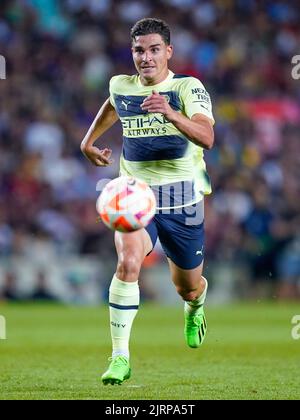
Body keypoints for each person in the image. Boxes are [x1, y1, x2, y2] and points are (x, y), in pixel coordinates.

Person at [81, 18, 214, 385]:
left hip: (183, 203)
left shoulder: (187, 87)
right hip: (136, 195)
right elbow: (114, 104)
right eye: (140, 50)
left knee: (187, 286)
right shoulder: (121, 84)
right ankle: (120, 357)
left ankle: (195, 306)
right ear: (133, 53)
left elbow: (207, 136)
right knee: (127, 262)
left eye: (155, 49)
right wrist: (88, 141)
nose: (146, 57)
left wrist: (170, 113)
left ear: (168, 52)